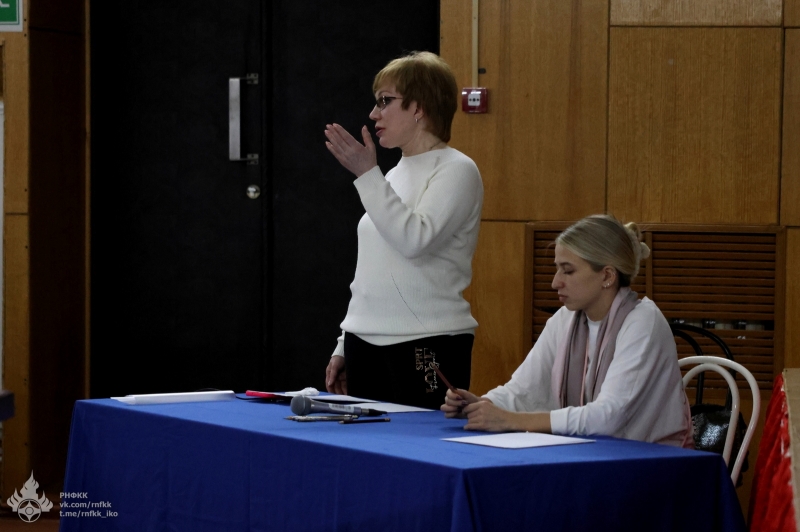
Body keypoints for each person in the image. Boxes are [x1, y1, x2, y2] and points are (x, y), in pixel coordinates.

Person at [441, 215, 693, 447]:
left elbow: (609, 417)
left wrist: (509, 420)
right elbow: (523, 390)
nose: (555, 282)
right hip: (593, 456)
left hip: (654, 463)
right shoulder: (565, 318)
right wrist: (482, 405)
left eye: (568, 270)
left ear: (607, 275)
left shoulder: (643, 321)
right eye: (557, 269)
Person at [323, 51, 483, 409]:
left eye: (385, 101)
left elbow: (414, 240)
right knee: (369, 443)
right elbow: (372, 271)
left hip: (427, 341)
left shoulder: (457, 169)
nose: (373, 114)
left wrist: (367, 175)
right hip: (365, 342)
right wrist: (345, 340)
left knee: (421, 442)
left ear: (419, 107)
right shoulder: (392, 175)